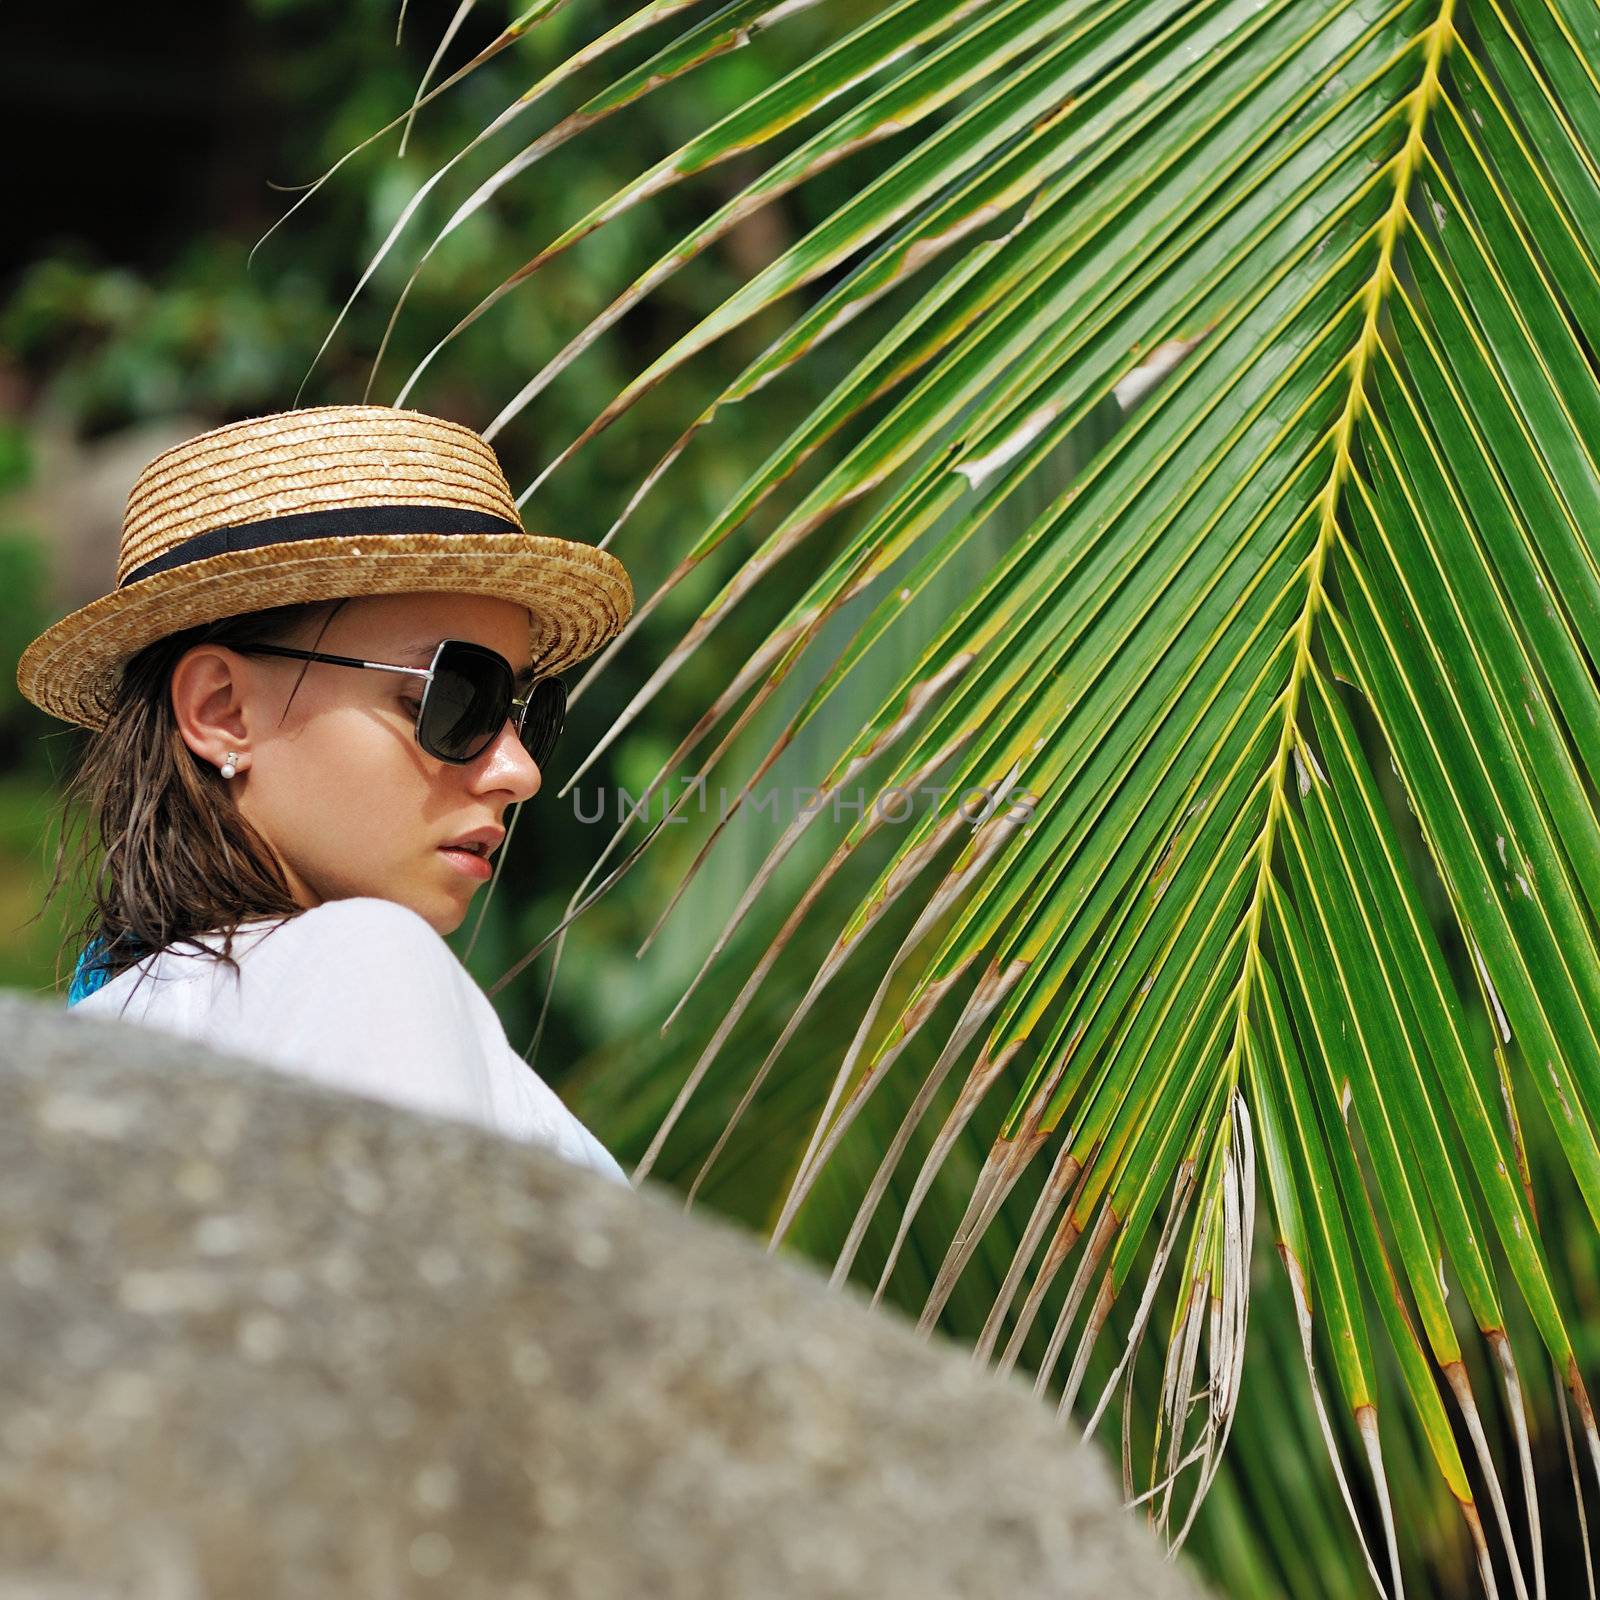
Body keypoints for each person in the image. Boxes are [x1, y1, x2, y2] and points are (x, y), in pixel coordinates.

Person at [14, 403, 636, 1187]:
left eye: (525, 712)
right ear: (220, 710)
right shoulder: (367, 962)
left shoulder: (107, 1045)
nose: (519, 771)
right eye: (454, 697)